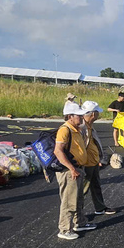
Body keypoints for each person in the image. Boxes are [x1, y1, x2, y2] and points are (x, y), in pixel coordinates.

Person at [54, 102, 97, 240]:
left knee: (78, 199)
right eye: (78, 115)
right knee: (68, 200)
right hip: (69, 171)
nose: (81, 117)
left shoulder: (76, 128)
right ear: (70, 116)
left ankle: (79, 222)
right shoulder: (65, 130)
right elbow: (58, 151)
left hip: (77, 169)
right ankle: (65, 229)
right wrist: (72, 168)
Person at [81, 101, 116, 216]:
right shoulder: (81, 127)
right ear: (93, 114)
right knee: (82, 189)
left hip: (94, 161)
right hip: (85, 163)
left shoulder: (90, 126)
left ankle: (100, 207)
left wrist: (100, 158)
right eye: (97, 112)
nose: (98, 115)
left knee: (96, 185)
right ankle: (78, 215)